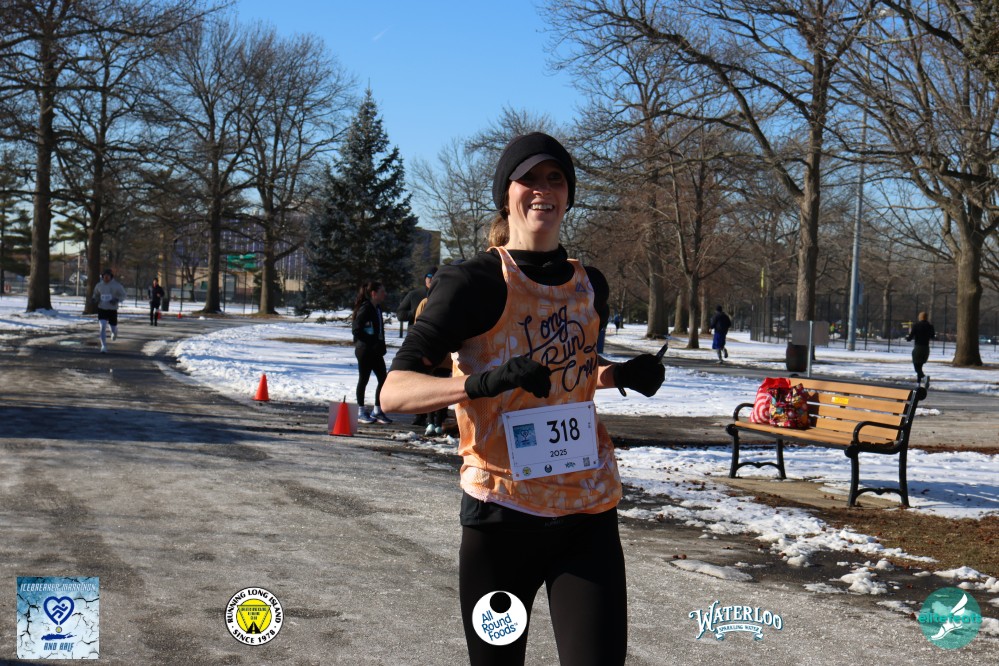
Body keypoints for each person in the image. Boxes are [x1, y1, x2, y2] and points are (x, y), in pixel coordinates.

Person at [380, 132, 665, 666]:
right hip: (502, 519)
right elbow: (394, 393)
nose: (542, 189)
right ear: (505, 193)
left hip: (586, 513)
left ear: (569, 195)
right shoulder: (471, 283)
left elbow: (567, 371)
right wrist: (480, 384)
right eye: (528, 178)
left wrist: (620, 374)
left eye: (555, 178)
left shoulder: (589, 285)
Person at [397, 267, 438, 427]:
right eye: (429, 276)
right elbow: (400, 314)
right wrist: (415, 313)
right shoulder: (415, 295)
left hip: (434, 343)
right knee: (418, 378)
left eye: (434, 276)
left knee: (434, 379)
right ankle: (418, 414)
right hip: (416, 341)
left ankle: (434, 417)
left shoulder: (441, 293)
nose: (431, 279)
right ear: (425, 278)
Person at [352, 280, 392, 424]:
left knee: (383, 378)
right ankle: (361, 411)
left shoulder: (377, 308)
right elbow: (356, 330)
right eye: (382, 292)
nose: (385, 294)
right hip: (364, 350)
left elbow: (379, 330)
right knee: (364, 379)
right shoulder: (366, 308)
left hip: (375, 351)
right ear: (374, 294)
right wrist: (371, 342)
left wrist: (381, 345)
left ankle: (377, 410)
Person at [414, 295, 450, 437]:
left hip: (445, 355)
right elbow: (417, 326)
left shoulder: (450, 299)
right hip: (429, 353)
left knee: (443, 391)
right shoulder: (425, 302)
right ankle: (430, 422)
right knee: (430, 389)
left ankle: (439, 423)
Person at [91, 268, 127, 353]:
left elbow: (124, 295)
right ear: (102, 276)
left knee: (112, 328)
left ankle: (114, 332)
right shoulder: (99, 285)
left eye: (108, 276)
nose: (106, 278)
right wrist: (94, 299)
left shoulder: (117, 285)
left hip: (112, 309)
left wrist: (116, 300)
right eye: (104, 276)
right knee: (102, 326)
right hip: (102, 308)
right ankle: (103, 346)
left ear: (111, 276)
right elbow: (96, 294)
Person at [906, 311, 935, 381]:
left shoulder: (916, 325)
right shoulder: (930, 326)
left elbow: (910, 337)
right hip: (926, 348)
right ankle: (918, 382)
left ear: (920, 317)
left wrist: (907, 338)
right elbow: (932, 336)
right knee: (920, 366)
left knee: (916, 365)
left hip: (918, 347)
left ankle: (924, 377)